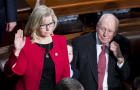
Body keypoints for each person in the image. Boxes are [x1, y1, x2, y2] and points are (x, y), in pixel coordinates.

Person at [4, 5, 70, 90]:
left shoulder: (61, 41)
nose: (48, 28)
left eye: (50, 23)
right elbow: (11, 72)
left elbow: (65, 72)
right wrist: (17, 51)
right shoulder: (25, 43)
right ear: (35, 25)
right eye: (43, 25)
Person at [71, 13, 130, 90]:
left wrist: (119, 57)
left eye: (110, 31)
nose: (105, 34)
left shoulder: (122, 43)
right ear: (97, 27)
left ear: (115, 33)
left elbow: (126, 77)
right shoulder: (80, 44)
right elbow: (72, 75)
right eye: (103, 29)